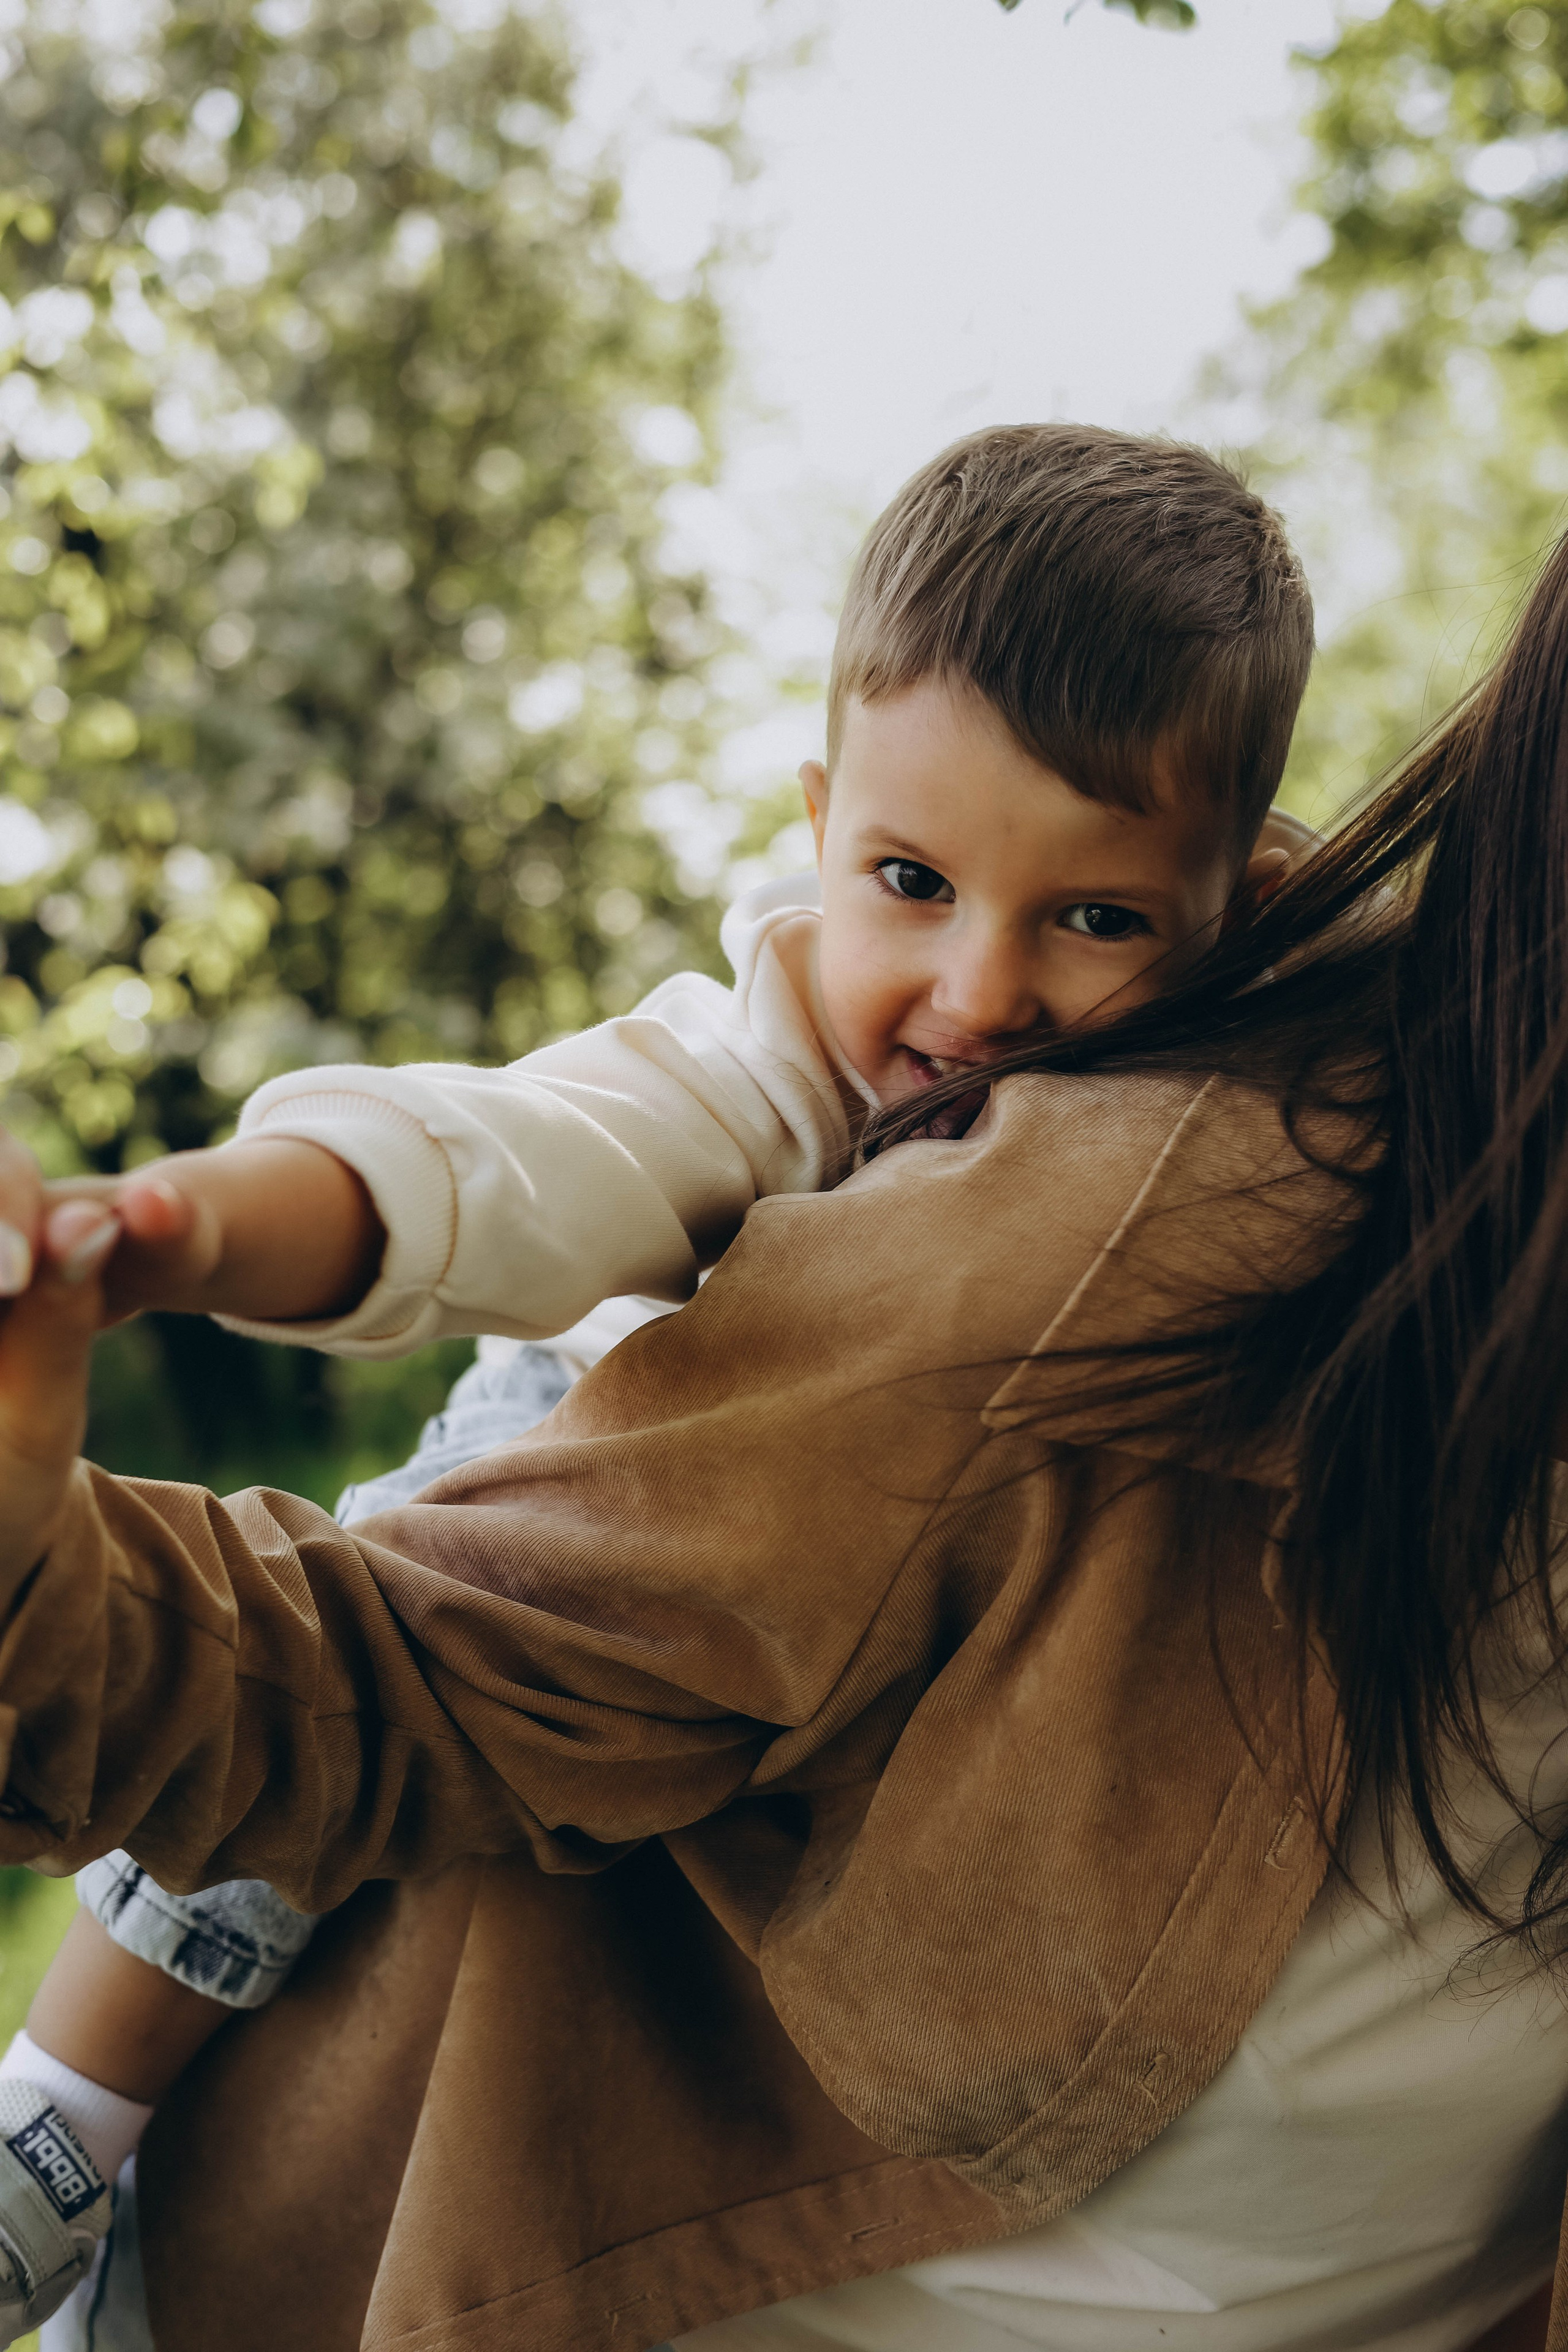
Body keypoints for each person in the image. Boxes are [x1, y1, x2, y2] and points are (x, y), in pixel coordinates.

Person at [0, 525, 1565, 2350]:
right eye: (910, 880)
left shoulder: (1190, 1087)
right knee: (377, 1613)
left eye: (1102, 918)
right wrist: (185, 1228)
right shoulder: (809, 1068)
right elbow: (499, 1161)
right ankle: (69, 2101)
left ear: (1242, 898)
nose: (979, 995)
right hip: (558, 1453)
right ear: (823, 823)